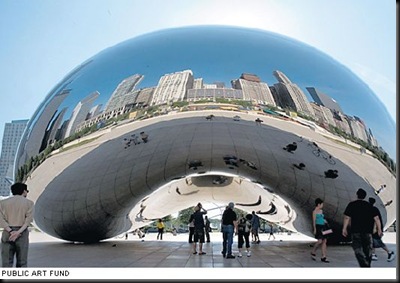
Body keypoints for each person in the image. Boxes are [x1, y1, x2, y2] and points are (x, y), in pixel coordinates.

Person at [342, 188, 382, 267]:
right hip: (367, 232)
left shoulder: (352, 205)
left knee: (357, 249)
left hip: (356, 231)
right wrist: (379, 230)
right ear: (365, 196)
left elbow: (347, 217)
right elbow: (377, 219)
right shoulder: (369, 206)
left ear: (357, 195)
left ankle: (364, 265)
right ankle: (367, 265)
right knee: (368, 250)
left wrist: (344, 228)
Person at [0, 183, 34, 267]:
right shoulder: (29, 203)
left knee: (6, 261)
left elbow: (1, 219)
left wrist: (11, 231)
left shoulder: (3, 203)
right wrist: (18, 232)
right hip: (22, 232)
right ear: (24, 191)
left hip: (7, 232)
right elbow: (28, 220)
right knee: (22, 261)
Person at [368, 197, 395, 262]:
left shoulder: (373, 209)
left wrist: (376, 229)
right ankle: (373, 254)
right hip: (375, 229)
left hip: (376, 229)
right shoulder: (373, 209)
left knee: (378, 242)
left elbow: (376, 220)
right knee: (373, 242)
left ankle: (390, 253)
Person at [310, 198, 330, 263]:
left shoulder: (321, 211)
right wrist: (315, 229)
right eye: (321, 204)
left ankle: (324, 256)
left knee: (325, 241)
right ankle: (313, 251)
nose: (322, 206)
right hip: (318, 227)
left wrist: (324, 221)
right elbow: (314, 221)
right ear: (318, 204)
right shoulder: (314, 212)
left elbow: (322, 218)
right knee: (319, 241)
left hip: (324, 226)